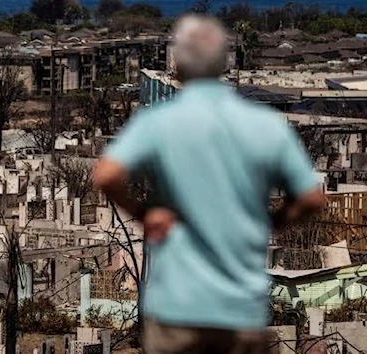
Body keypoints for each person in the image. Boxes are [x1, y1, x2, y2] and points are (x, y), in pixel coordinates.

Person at [92, 14, 325, 354]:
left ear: (177, 67)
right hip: (240, 311)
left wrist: (145, 215)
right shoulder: (265, 124)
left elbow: (106, 174)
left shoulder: (158, 121)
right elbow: (312, 199)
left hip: (176, 309)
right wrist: (274, 222)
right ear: (224, 65)